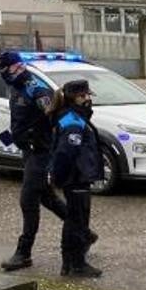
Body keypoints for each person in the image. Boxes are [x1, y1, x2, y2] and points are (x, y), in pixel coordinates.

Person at [0, 51, 69, 272]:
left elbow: (55, 116)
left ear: (17, 67)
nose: (2, 74)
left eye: (5, 70)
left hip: (41, 152)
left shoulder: (34, 88)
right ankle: (83, 231)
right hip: (29, 151)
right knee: (47, 198)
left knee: (28, 200)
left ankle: (24, 253)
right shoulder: (18, 86)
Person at [48, 79, 103, 278]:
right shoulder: (73, 121)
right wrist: (60, 177)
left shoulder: (72, 117)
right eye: (86, 95)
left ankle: (69, 263)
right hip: (76, 177)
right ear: (78, 97)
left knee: (73, 219)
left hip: (75, 177)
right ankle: (76, 264)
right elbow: (66, 152)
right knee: (78, 221)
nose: (89, 99)